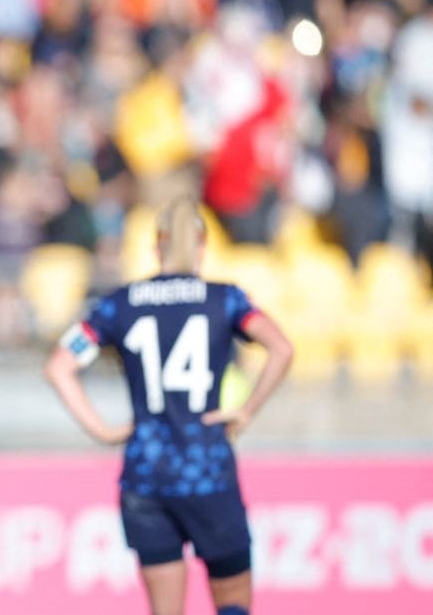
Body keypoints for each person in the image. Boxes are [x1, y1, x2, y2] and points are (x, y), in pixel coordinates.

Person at [43, 197, 293, 615]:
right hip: (207, 468)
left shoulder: (119, 304)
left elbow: (59, 366)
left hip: (146, 474)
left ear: (156, 247)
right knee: (233, 606)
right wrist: (247, 410)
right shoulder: (225, 299)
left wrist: (103, 431)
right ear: (201, 245)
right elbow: (281, 349)